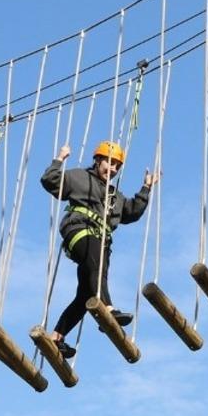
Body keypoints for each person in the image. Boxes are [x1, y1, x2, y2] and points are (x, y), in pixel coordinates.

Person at [40, 140, 160, 359]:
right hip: (80, 229)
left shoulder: (114, 196)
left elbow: (131, 213)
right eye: (109, 163)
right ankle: (107, 307)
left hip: (101, 239)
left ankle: (57, 336)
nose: (112, 169)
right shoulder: (79, 177)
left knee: (86, 293)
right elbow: (50, 181)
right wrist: (59, 159)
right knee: (96, 266)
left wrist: (146, 188)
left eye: (117, 166)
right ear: (97, 160)